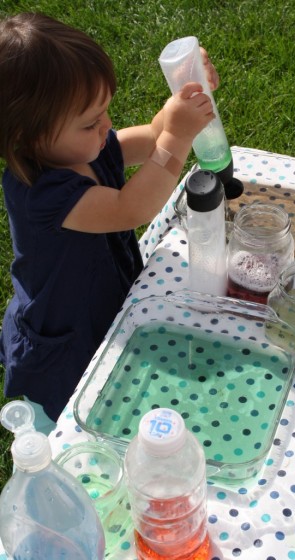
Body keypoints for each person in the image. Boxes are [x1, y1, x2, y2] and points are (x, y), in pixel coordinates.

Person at [0, 12, 219, 434]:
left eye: (105, 112)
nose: (106, 126)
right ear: (26, 138)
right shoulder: (43, 195)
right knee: (73, 414)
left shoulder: (85, 148)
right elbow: (131, 209)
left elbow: (156, 133)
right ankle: (55, 448)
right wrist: (179, 137)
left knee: (117, 385)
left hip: (102, 300)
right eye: (89, 122)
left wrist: (187, 96)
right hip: (64, 336)